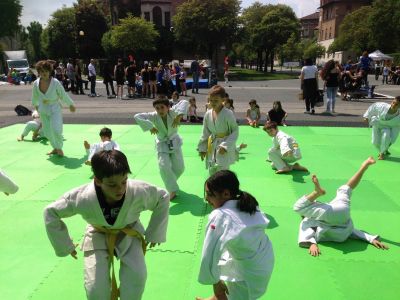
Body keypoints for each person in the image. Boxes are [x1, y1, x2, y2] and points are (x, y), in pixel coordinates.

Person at [43, 150, 169, 300]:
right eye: (112, 184)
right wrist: (64, 244)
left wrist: (155, 232)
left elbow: (162, 197)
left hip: (129, 232)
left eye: (124, 181)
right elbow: (50, 212)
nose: (120, 189)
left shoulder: (137, 191)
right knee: (95, 289)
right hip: (97, 234)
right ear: (98, 180)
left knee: (137, 278)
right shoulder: (82, 197)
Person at [197, 170, 274, 300]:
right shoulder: (247, 204)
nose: (206, 199)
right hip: (262, 258)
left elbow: (208, 253)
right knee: (225, 261)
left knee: (237, 293)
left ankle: (219, 296)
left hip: (249, 273)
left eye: (210, 194)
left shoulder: (221, 215)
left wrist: (215, 283)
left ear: (226, 194)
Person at [293, 157, 388, 257]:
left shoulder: (310, 222)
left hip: (342, 213)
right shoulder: (315, 220)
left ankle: (317, 192)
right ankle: (364, 166)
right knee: (346, 188)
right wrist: (370, 238)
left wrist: (312, 244)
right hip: (337, 210)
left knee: (299, 208)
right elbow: (353, 232)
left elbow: (353, 232)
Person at [134, 97, 189, 200]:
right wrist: (150, 126)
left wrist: (178, 117)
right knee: (164, 166)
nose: (160, 110)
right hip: (162, 143)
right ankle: (172, 190)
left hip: (174, 141)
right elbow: (137, 116)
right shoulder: (154, 116)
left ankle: (170, 182)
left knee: (180, 168)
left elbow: (185, 102)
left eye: (162, 107)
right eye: (157, 108)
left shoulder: (173, 112)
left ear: (168, 107)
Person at [31, 60, 76, 156]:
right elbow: (34, 97)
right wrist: (36, 108)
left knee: (56, 129)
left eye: (46, 71)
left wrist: (70, 105)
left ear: (50, 71)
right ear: (39, 72)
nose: (44, 73)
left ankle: (59, 147)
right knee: (47, 132)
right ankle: (55, 147)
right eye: (42, 71)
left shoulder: (55, 83)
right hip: (43, 109)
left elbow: (63, 95)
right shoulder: (35, 83)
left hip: (54, 108)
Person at [198, 85, 238, 175]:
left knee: (222, 170)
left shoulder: (228, 113)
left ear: (223, 100)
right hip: (212, 143)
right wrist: (202, 148)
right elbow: (205, 132)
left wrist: (225, 146)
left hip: (224, 144)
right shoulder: (208, 114)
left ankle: (224, 188)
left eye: (216, 100)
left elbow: (235, 131)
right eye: (210, 100)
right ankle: (212, 188)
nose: (213, 103)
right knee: (211, 169)